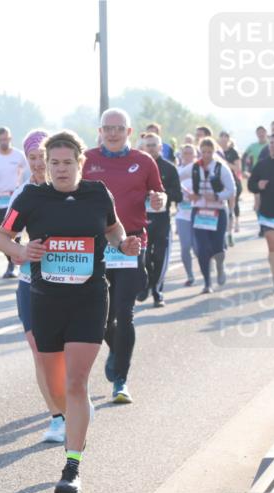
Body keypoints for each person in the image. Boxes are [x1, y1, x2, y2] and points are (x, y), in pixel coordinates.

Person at [0, 131, 141, 493]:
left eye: (67, 163)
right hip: (46, 300)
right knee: (55, 383)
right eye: (54, 163)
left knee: (76, 383)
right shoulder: (31, 197)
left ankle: (72, 464)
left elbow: (112, 228)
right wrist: (20, 251)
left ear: (81, 163)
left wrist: (123, 243)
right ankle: (69, 418)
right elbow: (1, 237)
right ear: (45, 164)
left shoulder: (97, 194)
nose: (60, 169)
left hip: (89, 299)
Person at [82, 108, 166, 404]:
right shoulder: (87, 160)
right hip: (96, 246)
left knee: (123, 312)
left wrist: (158, 199)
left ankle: (120, 379)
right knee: (101, 316)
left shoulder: (143, 161)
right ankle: (116, 349)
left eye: (119, 128)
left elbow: (159, 195)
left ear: (129, 132)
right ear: (100, 130)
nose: (113, 133)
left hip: (131, 243)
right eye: (108, 128)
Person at [5, 130, 66, 443]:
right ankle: (57, 416)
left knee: (64, 353)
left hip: (68, 283)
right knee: (40, 352)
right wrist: (19, 251)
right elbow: (6, 235)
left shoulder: (73, 191)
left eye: (43, 157)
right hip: (31, 283)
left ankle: (73, 401)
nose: (39, 164)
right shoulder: (23, 195)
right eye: (32, 158)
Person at [138, 133, 182, 306]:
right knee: (144, 257)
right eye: (147, 145)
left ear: (160, 147)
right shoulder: (138, 167)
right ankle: (146, 285)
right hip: (141, 219)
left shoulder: (169, 169)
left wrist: (161, 195)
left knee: (160, 256)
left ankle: (157, 292)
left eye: (153, 145)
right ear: (143, 147)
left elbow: (179, 195)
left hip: (162, 219)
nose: (150, 148)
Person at [188, 137, 236, 294]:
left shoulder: (221, 167)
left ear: (214, 151)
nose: (206, 155)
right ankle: (207, 283)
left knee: (217, 248)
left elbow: (231, 190)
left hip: (218, 211)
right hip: (199, 211)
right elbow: (177, 180)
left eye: (209, 152)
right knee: (202, 249)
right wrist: (189, 195)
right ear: (199, 151)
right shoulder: (194, 167)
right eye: (203, 152)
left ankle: (220, 266)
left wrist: (217, 196)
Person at [0, 126, 29, 279]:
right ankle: (12, 260)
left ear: (10, 138)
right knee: (2, 232)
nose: (4, 142)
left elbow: (28, 170)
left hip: (14, 197)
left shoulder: (19, 155)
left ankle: (12, 265)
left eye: (6, 139)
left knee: (16, 230)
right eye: (1, 140)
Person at [246, 130, 274, 293]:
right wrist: (258, 186)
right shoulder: (262, 164)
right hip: (267, 214)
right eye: (272, 143)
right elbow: (250, 184)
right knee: (273, 247)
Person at [175, 144, 198, 286]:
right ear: (181, 155)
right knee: (185, 247)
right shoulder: (177, 171)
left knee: (197, 247)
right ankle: (190, 276)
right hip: (182, 215)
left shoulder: (200, 171)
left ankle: (206, 269)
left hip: (199, 214)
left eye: (191, 153)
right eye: (185, 153)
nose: (188, 156)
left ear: (195, 155)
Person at [218, 131, 243, 240]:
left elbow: (238, 168)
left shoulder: (233, 152)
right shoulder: (216, 152)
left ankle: (230, 232)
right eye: (221, 137)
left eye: (226, 137)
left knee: (232, 206)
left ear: (228, 139)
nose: (223, 139)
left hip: (232, 181)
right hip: (219, 182)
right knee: (222, 207)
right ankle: (223, 231)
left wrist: (226, 164)